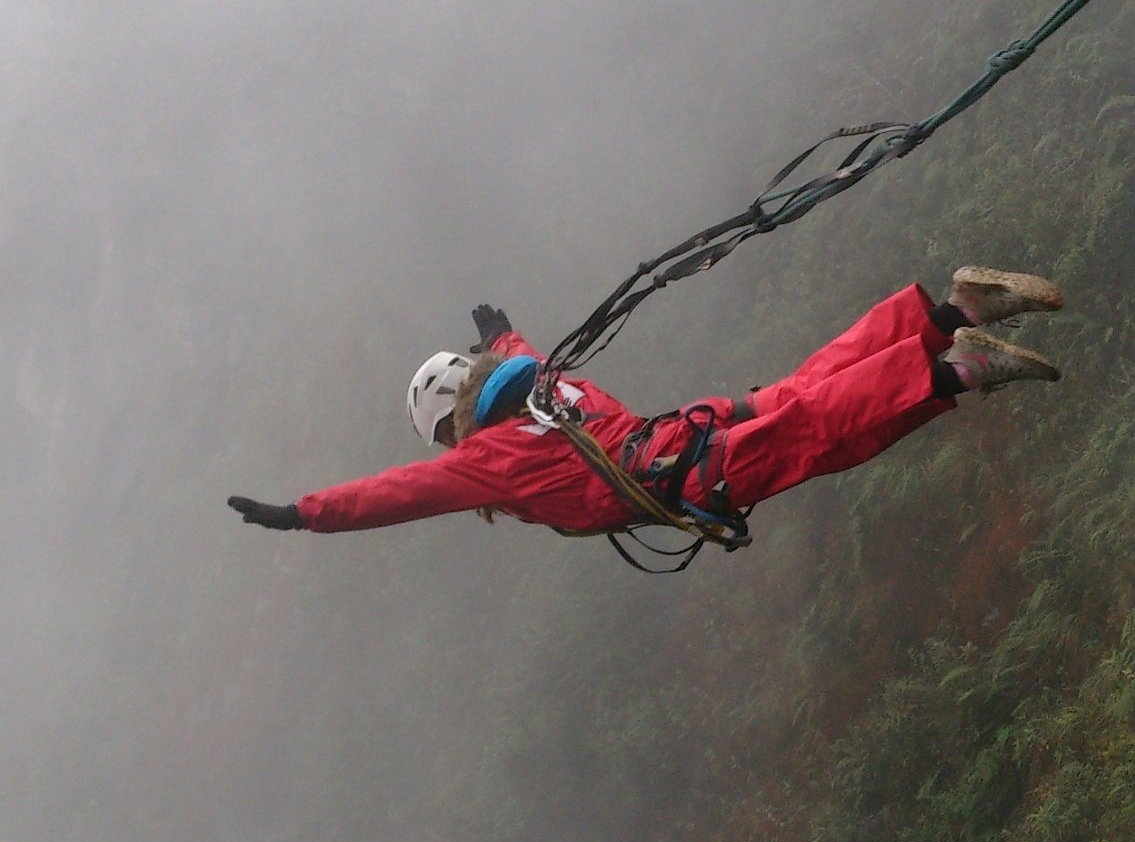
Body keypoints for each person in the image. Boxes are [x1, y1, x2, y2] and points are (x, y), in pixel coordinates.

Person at [227, 266, 1062, 538]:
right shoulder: (544, 384)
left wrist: (302, 513)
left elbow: (392, 495)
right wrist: (509, 334)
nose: (451, 448)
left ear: (456, 423)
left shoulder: (490, 458)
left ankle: (961, 366)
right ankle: (951, 312)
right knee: (811, 388)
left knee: (822, 429)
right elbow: (512, 362)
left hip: (683, 476)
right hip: (688, 433)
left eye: (448, 434)